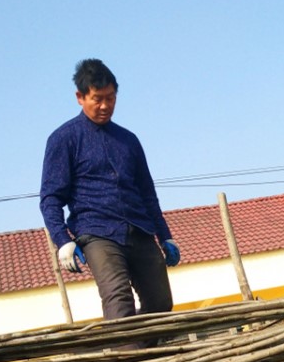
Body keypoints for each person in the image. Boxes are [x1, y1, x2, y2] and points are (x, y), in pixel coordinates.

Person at [39, 58, 180, 325]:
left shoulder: (129, 140)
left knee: (160, 302)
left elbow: (147, 193)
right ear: (80, 97)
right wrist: (63, 240)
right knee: (118, 299)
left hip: (139, 228)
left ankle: (145, 358)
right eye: (97, 98)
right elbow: (50, 198)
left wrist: (166, 236)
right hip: (97, 233)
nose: (105, 106)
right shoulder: (64, 139)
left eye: (111, 98)